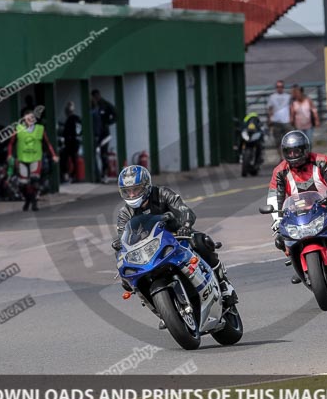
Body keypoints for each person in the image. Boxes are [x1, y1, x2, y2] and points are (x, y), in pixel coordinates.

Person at [112, 165, 237, 306]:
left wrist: (186, 225)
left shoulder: (162, 193)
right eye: (127, 191)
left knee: (202, 241)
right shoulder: (124, 213)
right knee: (123, 261)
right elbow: (124, 237)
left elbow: (183, 209)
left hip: (175, 235)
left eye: (136, 189)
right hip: (147, 249)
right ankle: (159, 308)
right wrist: (120, 246)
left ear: (146, 186)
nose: (132, 195)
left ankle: (223, 283)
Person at [267, 130, 327, 280]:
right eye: (289, 152)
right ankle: (298, 262)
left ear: (305, 149)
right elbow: (274, 197)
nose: (293, 155)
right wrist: (277, 218)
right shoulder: (280, 171)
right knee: (280, 239)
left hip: (326, 207)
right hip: (297, 214)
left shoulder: (321, 161)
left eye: (296, 151)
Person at [7, 108, 58, 212]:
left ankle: (34, 202)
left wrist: (53, 155)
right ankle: (27, 200)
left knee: (34, 181)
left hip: (35, 158)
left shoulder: (40, 129)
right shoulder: (17, 129)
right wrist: (9, 155)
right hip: (22, 159)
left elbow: (47, 143)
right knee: (23, 184)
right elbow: (11, 143)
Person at [91, 90, 117, 183]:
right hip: (95, 134)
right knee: (95, 154)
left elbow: (115, 115)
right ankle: (97, 175)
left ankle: (104, 174)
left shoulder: (105, 105)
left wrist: (108, 123)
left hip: (105, 135)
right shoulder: (92, 106)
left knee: (103, 154)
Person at [267, 81, 292, 155]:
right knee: (278, 141)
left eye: (281, 87)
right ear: (276, 88)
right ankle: (281, 157)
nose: (279, 88)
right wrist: (270, 119)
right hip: (276, 121)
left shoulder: (288, 96)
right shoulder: (272, 97)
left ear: (283, 87)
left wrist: (291, 118)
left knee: (288, 141)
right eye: (278, 87)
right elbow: (270, 108)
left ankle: (289, 156)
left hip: (286, 121)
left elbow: (292, 108)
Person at [60, 102, 82, 183]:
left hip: (71, 142)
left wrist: (65, 138)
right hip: (76, 141)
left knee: (64, 157)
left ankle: (68, 175)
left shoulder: (70, 120)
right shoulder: (78, 118)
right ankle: (74, 175)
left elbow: (67, 132)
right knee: (74, 159)